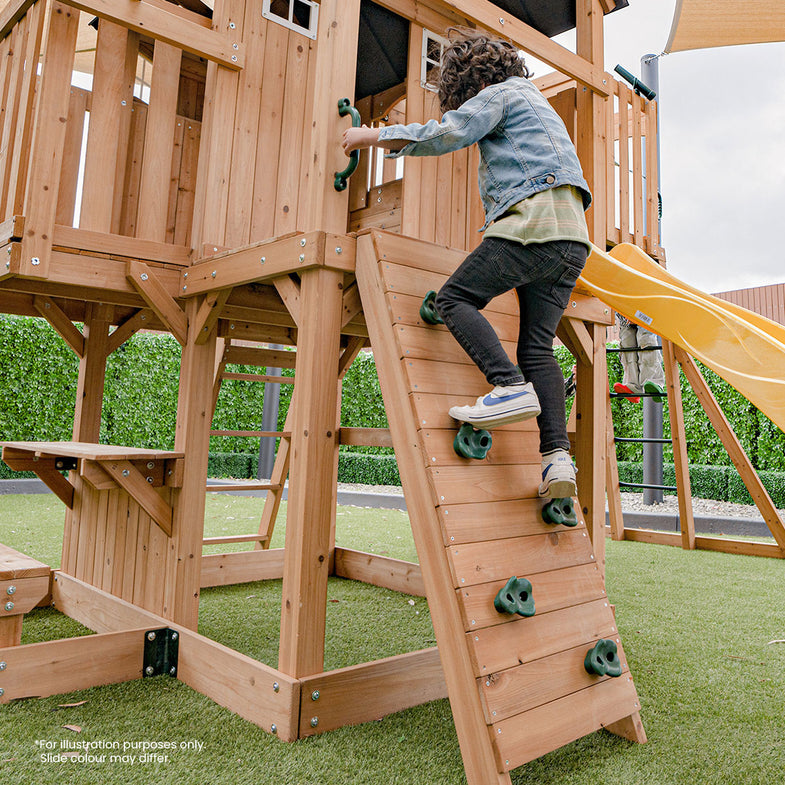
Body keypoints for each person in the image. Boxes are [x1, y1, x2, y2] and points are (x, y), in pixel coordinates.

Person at [342, 28, 591, 499]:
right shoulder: (538, 103)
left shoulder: (499, 94)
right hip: (572, 242)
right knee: (538, 348)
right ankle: (557, 459)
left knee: (455, 299)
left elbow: (449, 132)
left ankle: (508, 386)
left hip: (530, 227)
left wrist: (372, 135)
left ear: (473, 82)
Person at [613, 315, 665, 404]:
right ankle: (632, 385)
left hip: (644, 313)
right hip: (625, 314)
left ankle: (655, 380)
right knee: (627, 342)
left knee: (646, 340)